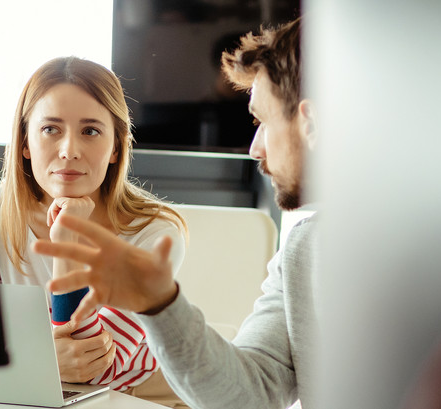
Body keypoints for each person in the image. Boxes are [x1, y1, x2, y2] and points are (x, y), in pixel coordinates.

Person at [32, 18, 320, 409]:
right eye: (50, 129)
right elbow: (250, 396)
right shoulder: (302, 252)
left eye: (262, 121)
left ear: (312, 124)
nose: (255, 149)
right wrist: (160, 304)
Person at [0, 57, 190, 406]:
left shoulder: (156, 234)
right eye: (50, 129)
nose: (69, 151)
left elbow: (91, 368)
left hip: (142, 396)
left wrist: (67, 238)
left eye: (90, 131)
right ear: (24, 143)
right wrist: (40, 359)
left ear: (115, 147)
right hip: (30, 389)